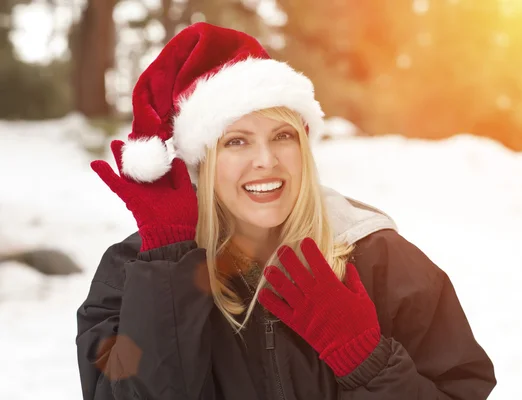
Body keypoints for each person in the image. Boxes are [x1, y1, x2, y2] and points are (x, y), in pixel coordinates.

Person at [76, 22, 496, 400]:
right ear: (198, 163)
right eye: (236, 141)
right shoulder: (133, 274)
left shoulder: (380, 260)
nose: (266, 160)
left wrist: (367, 363)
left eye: (282, 135)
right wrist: (170, 265)